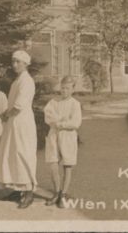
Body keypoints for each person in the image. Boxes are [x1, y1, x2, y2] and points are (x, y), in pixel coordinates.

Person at [0, 50, 37, 208]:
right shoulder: (17, 81)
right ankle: (16, 188)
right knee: (12, 153)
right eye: (13, 61)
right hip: (14, 122)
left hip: (22, 123)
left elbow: (19, 106)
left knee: (22, 154)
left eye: (18, 62)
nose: (14, 65)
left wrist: (7, 115)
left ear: (25, 64)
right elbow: (13, 104)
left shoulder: (27, 81)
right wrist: (6, 114)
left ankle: (28, 192)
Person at [44, 76, 82, 208]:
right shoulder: (53, 102)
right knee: (53, 163)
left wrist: (60, 122)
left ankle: (64, 193)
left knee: (67, 164)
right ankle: (57, 192)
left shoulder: (75, 104)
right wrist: (61, 120)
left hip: (68, 136)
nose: (64, 91)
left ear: (72, 89)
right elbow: (48, 117)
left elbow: (75, 123)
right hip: (53, 135)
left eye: (67, 88)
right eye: (62, 88)